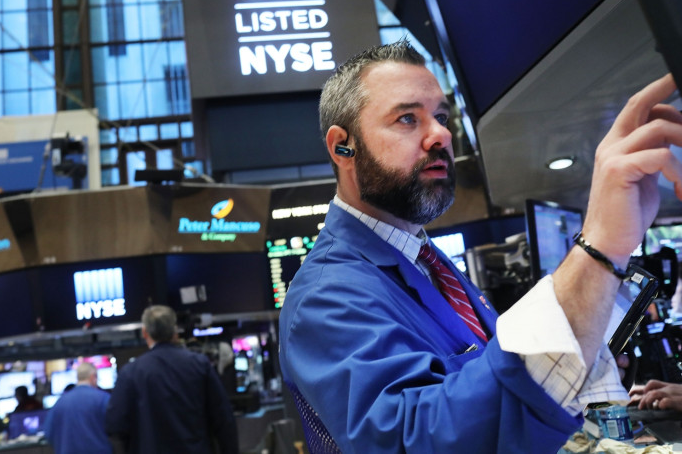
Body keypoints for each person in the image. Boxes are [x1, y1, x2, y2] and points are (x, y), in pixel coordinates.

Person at [278, 40, 682, 453]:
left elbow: (493, 385)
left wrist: (586, 347)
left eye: (440, 116)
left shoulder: (424, 259)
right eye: (406, 119)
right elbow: (415, 441)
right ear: (342, 147)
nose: (440, 135)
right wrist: (599, 249)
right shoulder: (325, 296)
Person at [105, 305, 239, 454]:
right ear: (175, 330)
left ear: (145, 333)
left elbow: (115, 427)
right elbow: (223, 419)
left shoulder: (130, 373)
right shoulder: (199, 365)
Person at [44, 362, 112, 454]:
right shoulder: (103, 398)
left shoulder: (59, 403)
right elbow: (115, 428)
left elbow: (49, 433)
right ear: (93, 377)